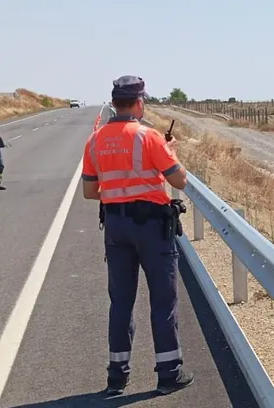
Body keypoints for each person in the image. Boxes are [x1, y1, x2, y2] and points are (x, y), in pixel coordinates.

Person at [81, 75, 194, 396]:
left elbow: (91, 191)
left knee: (121, 302)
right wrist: (169, 153)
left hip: (116, 227)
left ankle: (117, 376)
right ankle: (168, 374)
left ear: (114, 103)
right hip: (152, 228)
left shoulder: (95, 140)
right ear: (140, 102)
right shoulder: (150, 137)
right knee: (163, 300)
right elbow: (180, 181)